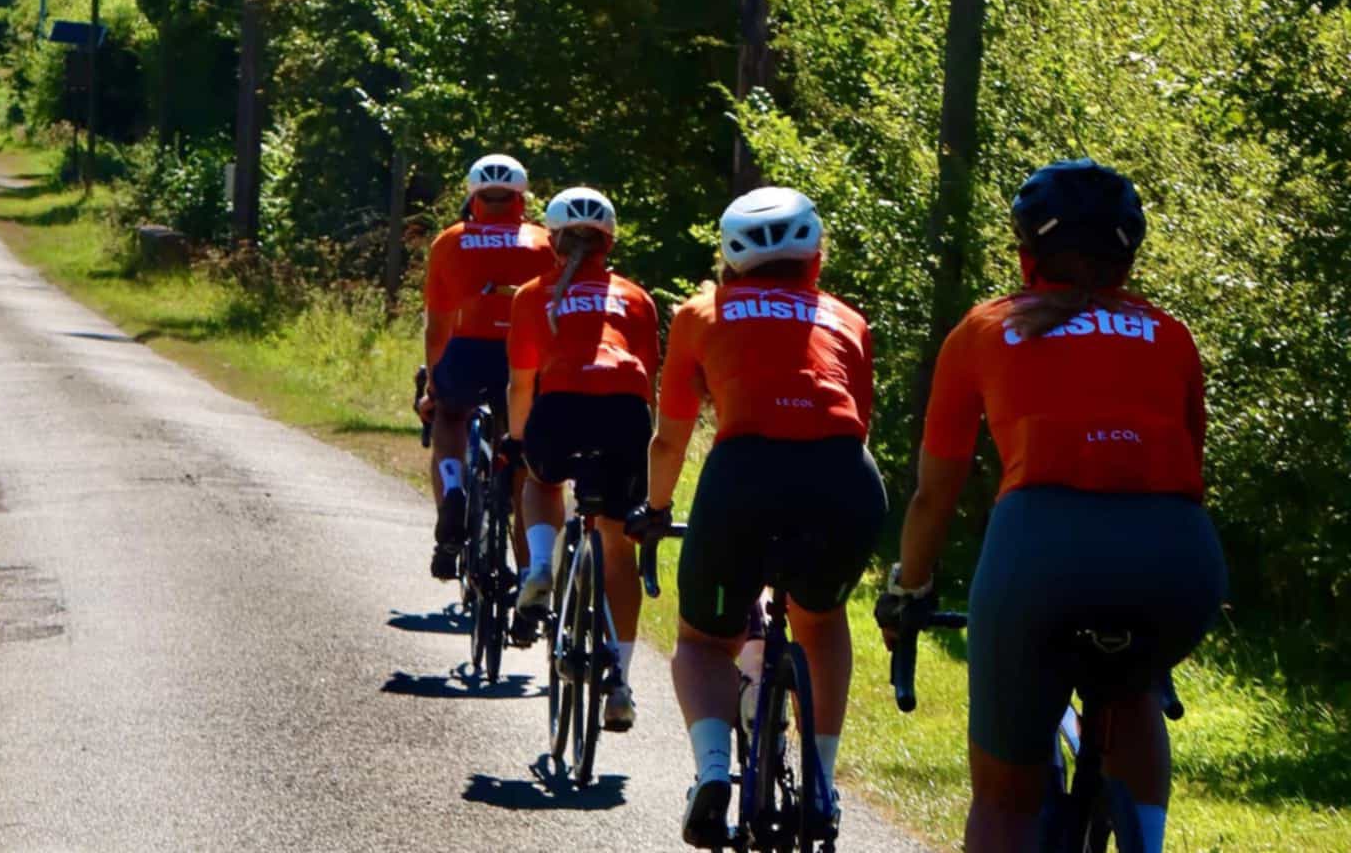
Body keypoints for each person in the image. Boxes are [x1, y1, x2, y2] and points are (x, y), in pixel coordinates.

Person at [875, 159, 1226, 853]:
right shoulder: (1172, 335)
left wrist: (910, 588)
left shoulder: (985, 328)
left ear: (1025, 251)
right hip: (1179, 561)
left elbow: (933, 492)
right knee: (1133, 692)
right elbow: (1189, 470)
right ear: (1129, 252)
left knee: (1006, 802)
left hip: (1041, 554)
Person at [628, 186, 884, 843]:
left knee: (704, 642)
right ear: (817, 259)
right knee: (820, 623)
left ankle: (714, 771)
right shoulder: (849, 321)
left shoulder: (699, 313)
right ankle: (822, 783)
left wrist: (656, 511)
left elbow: (669, 438)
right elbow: (857, 427)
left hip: (744, 477)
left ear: (730, 261)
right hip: (844, 481)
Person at [506, 186, 661, 731]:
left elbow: (522, 384)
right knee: (618, 546)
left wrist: (519, 441)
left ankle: (541, 566)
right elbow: (647, 383)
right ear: (609, 243)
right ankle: (619, 681)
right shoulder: (637, 298)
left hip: (561, 407)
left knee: (540, 480)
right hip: (625, 416)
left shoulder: (532, 295)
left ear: (552, 242)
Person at [416, 155, 556, 580]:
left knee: (449, 415)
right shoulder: (547, 242)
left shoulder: (449, 241)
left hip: (467, 352)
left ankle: (454, 487)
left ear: (473, 197)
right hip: (526, 362)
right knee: (520, 462)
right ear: (521, 198)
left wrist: (433, 383)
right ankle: (532, 572)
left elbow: (437, 326)